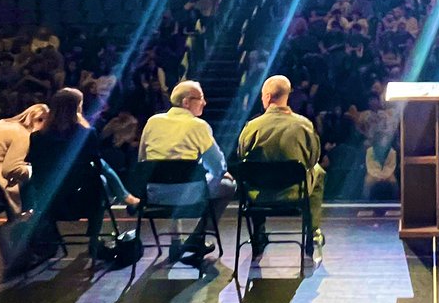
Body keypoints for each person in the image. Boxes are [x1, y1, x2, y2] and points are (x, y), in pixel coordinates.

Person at [26, 88, 138, 249]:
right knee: (100, 181)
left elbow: (35, 167)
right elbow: (97, 166)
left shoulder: (36, 137)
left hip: (50, 202)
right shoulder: (85, 134)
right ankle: (94, 237)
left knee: (96, 179)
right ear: (77, 108)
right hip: (82, 201)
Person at [138, 80, 236, 264]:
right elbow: (217, 166)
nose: (204, 103)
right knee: (229, 185)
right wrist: (221, 173)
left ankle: (176, 241)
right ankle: (197, 238)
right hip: (190, 195)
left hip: (154, 194)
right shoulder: (198, 125)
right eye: (200, 98)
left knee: (177, 177)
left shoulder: (152, 122)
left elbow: (142, 159)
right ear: (186, 102)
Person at [236, 75, 326, 252]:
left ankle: (259, 232)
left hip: (258, 195)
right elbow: (313, 158)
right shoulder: (304, 125)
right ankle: (313, 232)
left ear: (268, 97)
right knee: (319, 171)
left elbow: (241, 158)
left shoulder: (252, 127)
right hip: (294, 193)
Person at [363, 132, 398, 201]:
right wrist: (378, 176)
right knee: (367, 183)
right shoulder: (370, 151)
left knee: (394, 183)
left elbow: (391, 166)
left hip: (388, 175)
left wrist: (384, 176)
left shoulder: (392, 152)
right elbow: (370, 165)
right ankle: (366, 202)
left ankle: (395, 201)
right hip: (373, 174)